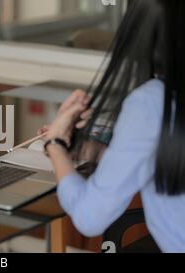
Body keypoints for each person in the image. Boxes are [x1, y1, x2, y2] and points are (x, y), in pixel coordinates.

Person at [41, 0, 185, 252]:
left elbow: (89, 217)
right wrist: (89, 149)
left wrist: (55, 145)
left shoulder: (150, 102)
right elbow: (162, 155)